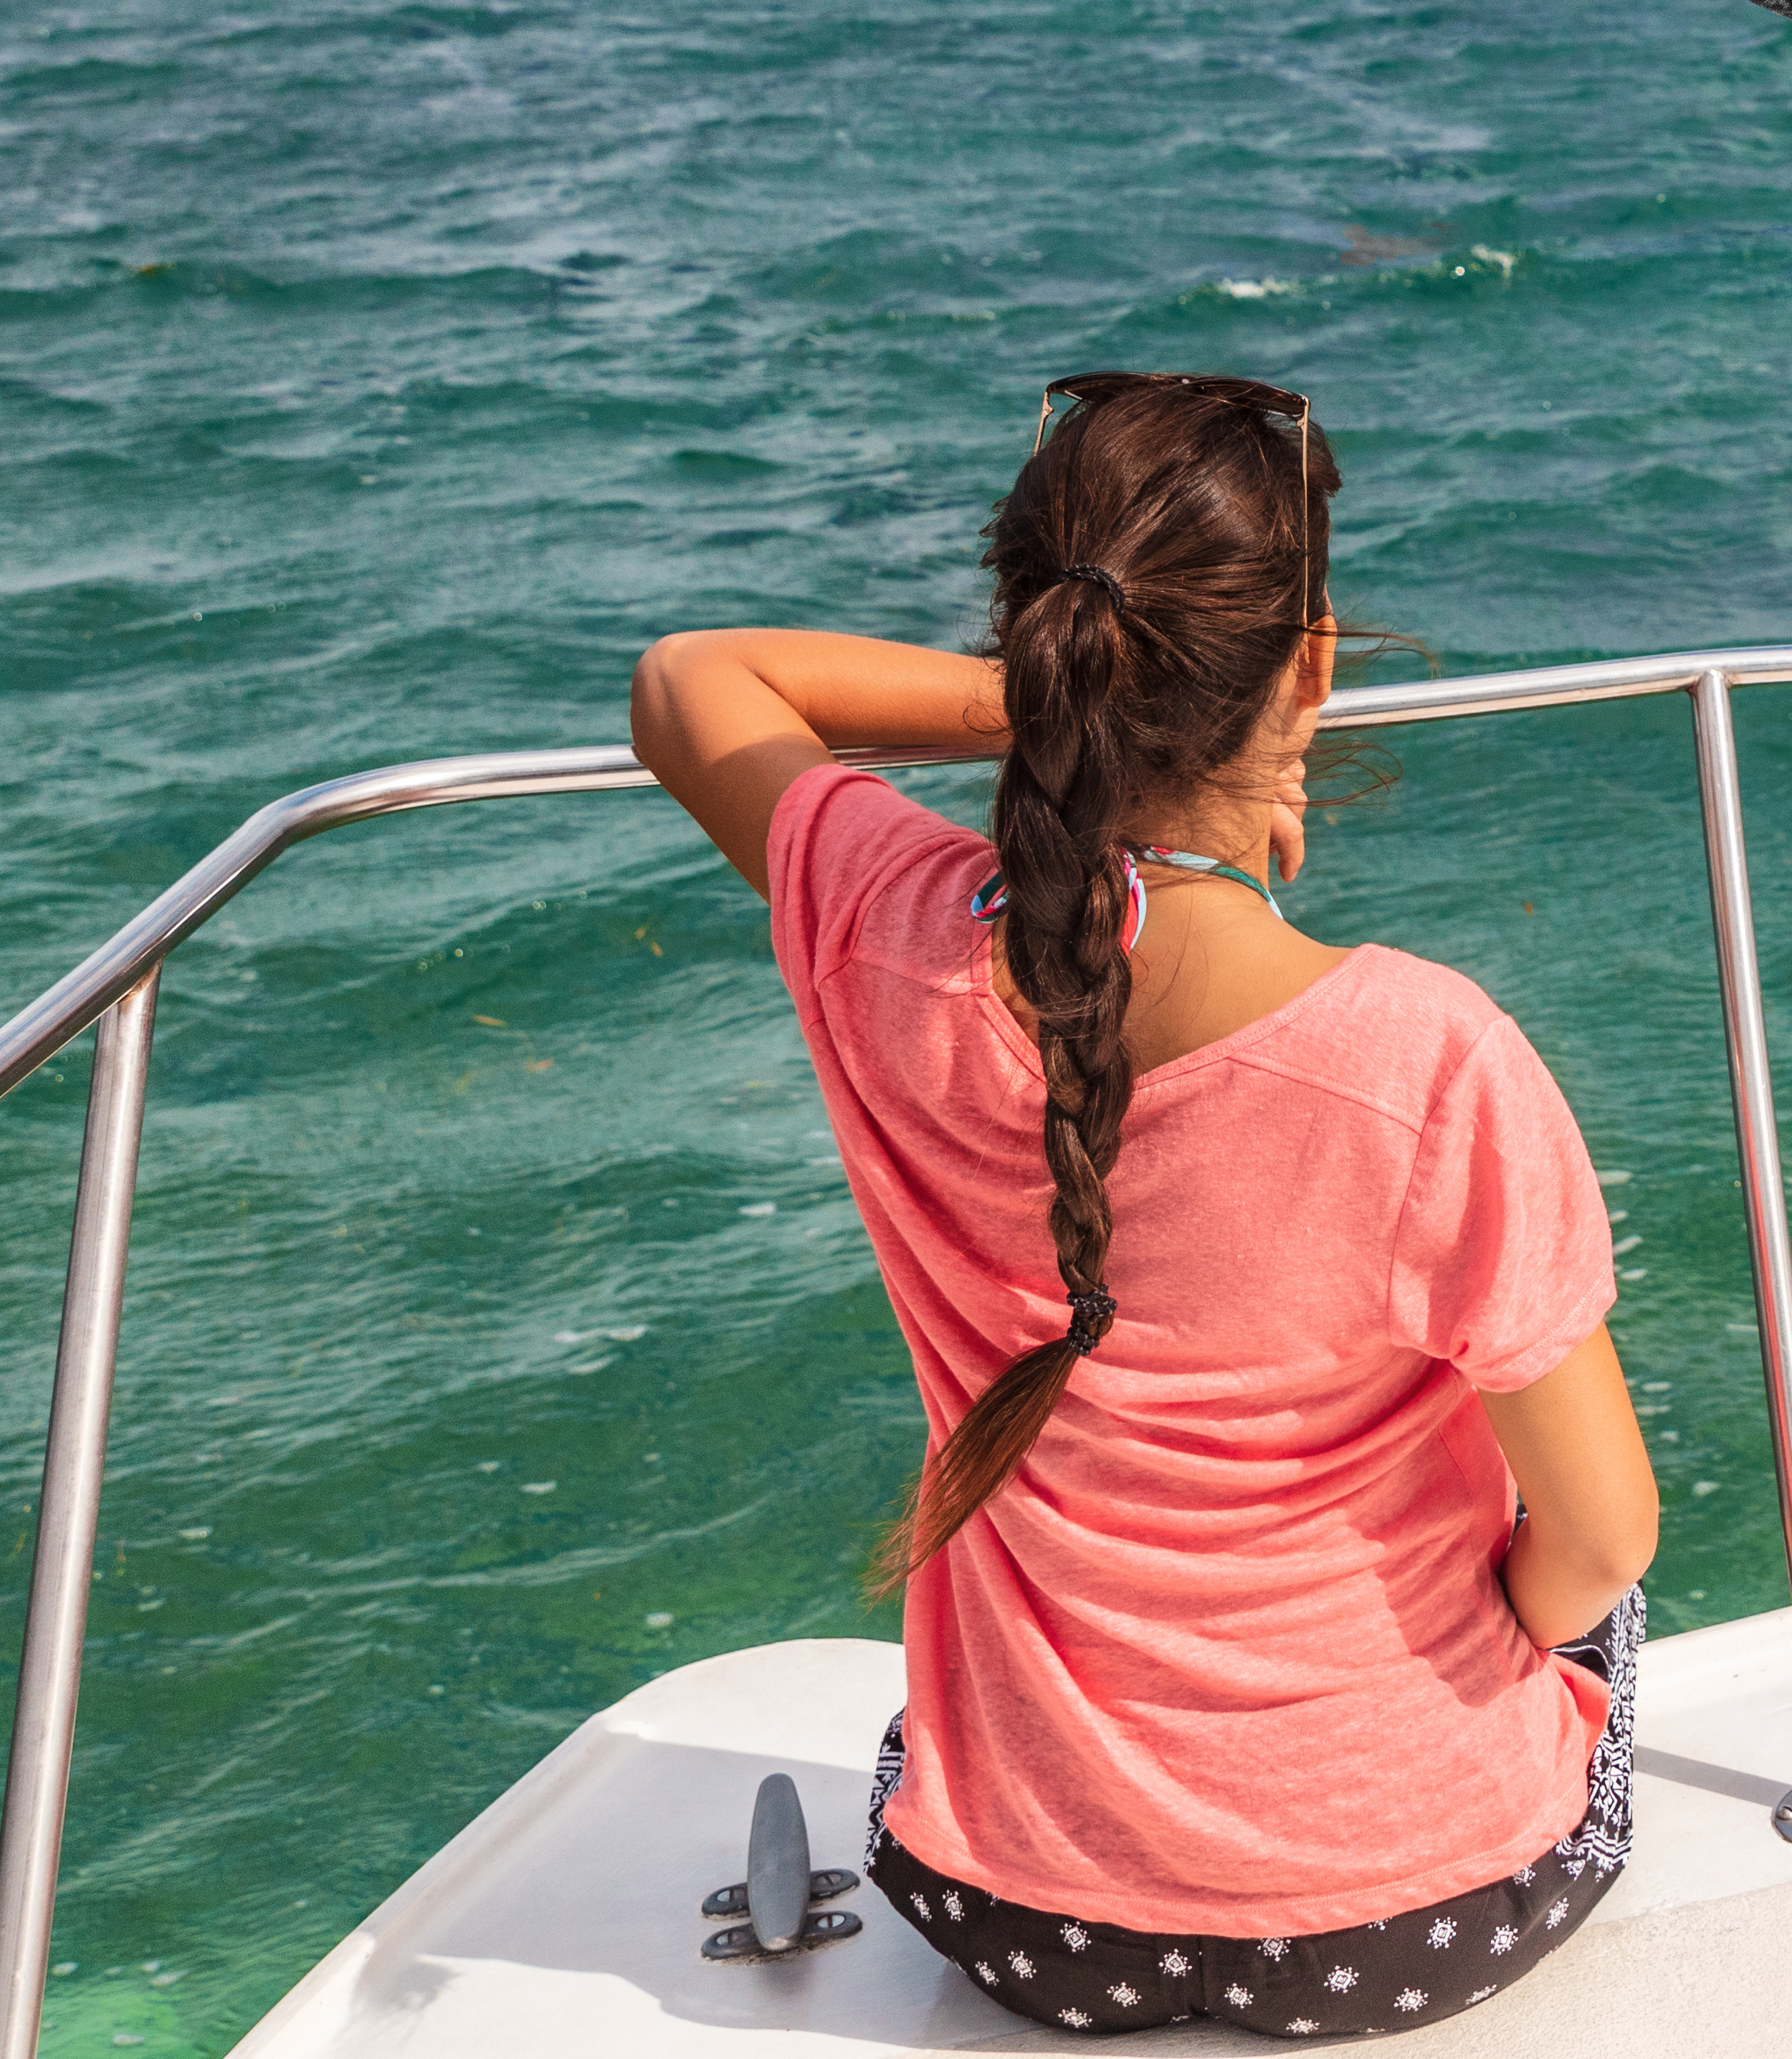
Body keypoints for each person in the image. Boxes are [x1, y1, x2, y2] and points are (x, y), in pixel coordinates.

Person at [634, 369, 1662, 2032]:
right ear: (1307, 670)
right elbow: (1604, 1540)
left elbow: (692, 681)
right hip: (1420, 1907)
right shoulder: (1425, 1057)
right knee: (1587, 1563)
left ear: (1043, 647)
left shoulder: (881, 932)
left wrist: (1060, 717)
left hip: (1016, 1910)